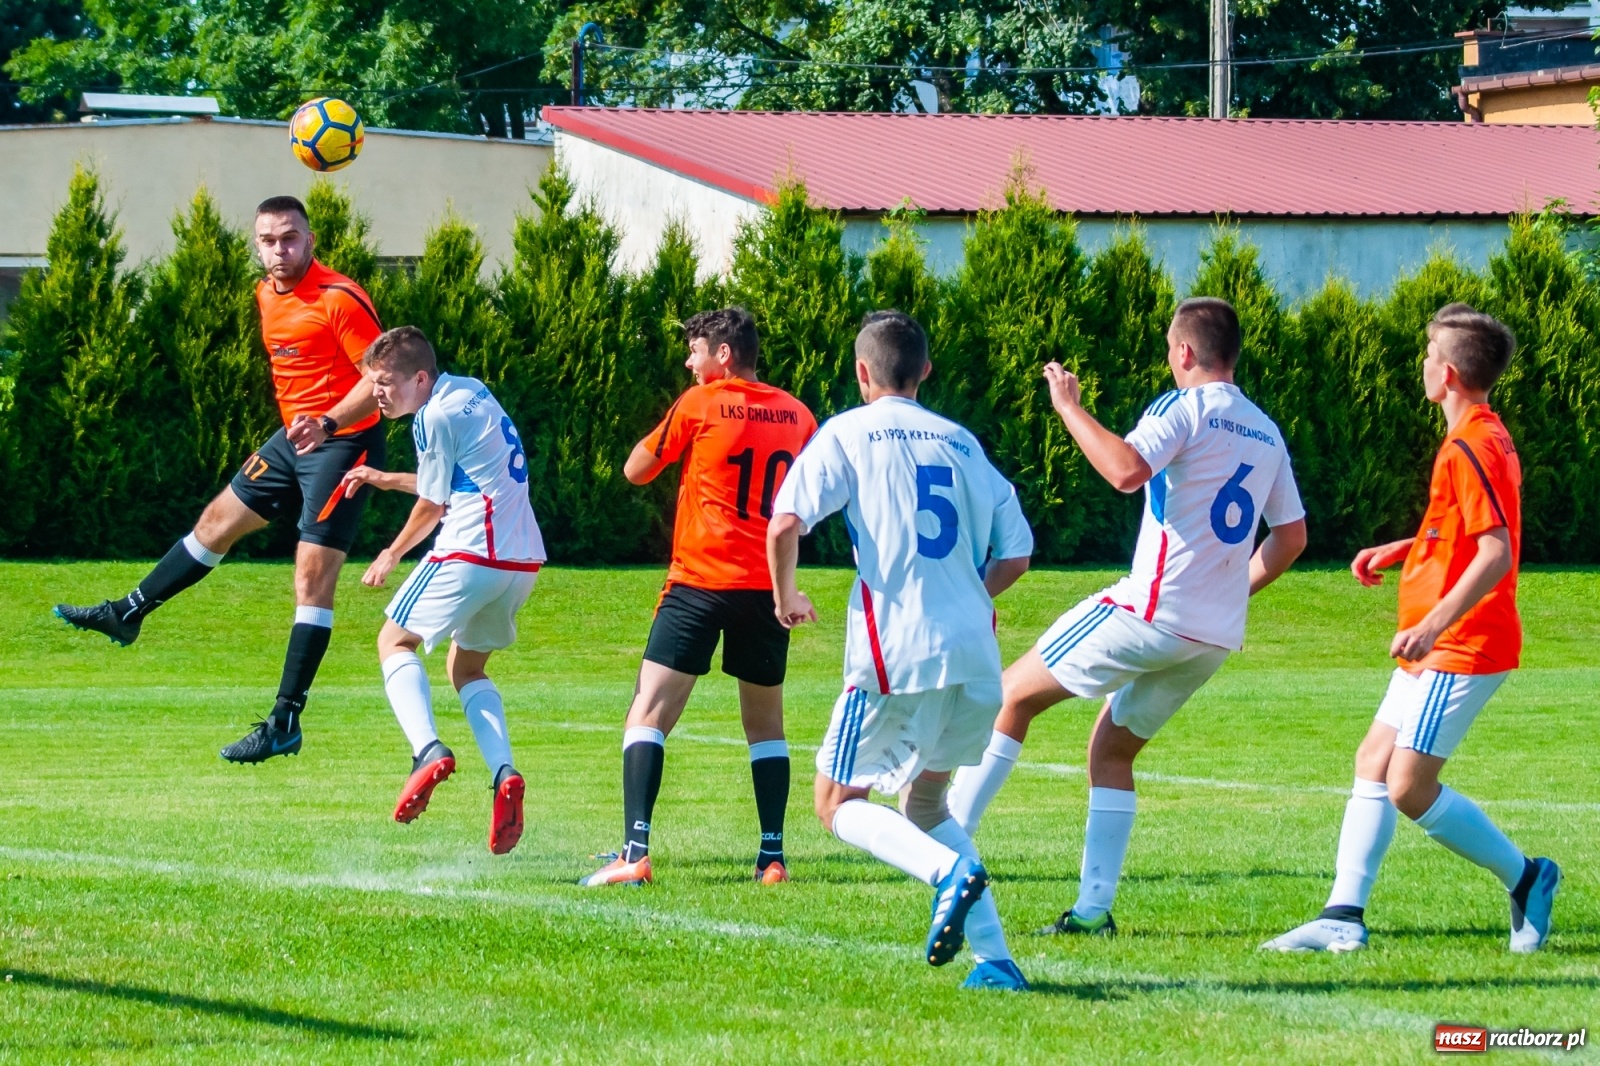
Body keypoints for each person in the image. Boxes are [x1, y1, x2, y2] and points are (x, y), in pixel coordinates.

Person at [945, 297, 1308, 936]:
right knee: (1112, 751)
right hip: (1210, 635)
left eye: (1172, 349)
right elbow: (1292, 538)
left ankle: (946, 855)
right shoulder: (1265, 428)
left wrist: (1069, 408)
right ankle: (1091, 913)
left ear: (1187, 352)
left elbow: (1125, 471)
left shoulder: (1183, 407)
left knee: (1010, 698)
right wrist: (1231, 592)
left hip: (1150, 609)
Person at [1263, 305, 1559, 954]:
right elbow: (1464, 529)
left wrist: (1429, 626)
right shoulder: (1481, 433)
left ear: (1446, 374)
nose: (1421, 365)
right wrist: (1405, 547)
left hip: (1462, 646)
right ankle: (1343, 915)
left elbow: (1495, 552)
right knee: (1373, 759)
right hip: (1447, 643)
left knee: (1407, 786)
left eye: (1428, 356)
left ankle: (1526, 876)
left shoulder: (1471, 445)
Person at [54, 195, 387, 763]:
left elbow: (379, 378)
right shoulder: (265, 293)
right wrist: (304, 427)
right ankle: (127, 613)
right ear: (256, 245)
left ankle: (285, 720)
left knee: (310, 578)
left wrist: (329, 421)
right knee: (214, 524)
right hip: (293, 439)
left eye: (289, 238)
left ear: (310, 241)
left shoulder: (340, 297)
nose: (279, 249)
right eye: (268, 240)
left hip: (345, 442)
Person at [769, 310, 1035, 991]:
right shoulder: (965, 443)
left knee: (835, 801)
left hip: (898, 651)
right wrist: (971, 593)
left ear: (861, 372)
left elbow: (786, 523)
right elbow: (1020, 551)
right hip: (975, 654)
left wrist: (786, 596)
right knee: (926, 806)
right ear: (925, 371)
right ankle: (997, 962)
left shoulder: (849, 432)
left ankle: (946, 873)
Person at [582, 308, 817, 888]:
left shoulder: (700, 404)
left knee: (648, 711)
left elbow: (636, 469)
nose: (689, 362)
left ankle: (634, 852)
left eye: (695, 351)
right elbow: (808, 509)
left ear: (725, 356)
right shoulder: (799, 414)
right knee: (766, 726)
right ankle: (772, 858)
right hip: (766, 591)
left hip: (700, 582)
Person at [342, 326, 545, 855]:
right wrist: (386, 479)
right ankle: (504, 773)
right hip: (521, 559)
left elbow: (435, 507)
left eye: (385, 383)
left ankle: (427, 750)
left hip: (471, 550)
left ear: (420, 378)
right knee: (467, 669)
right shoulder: (471, 390)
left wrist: (391, 552)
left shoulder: (431, 415)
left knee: (393, 642)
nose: (377, 393)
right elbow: (461, 478)